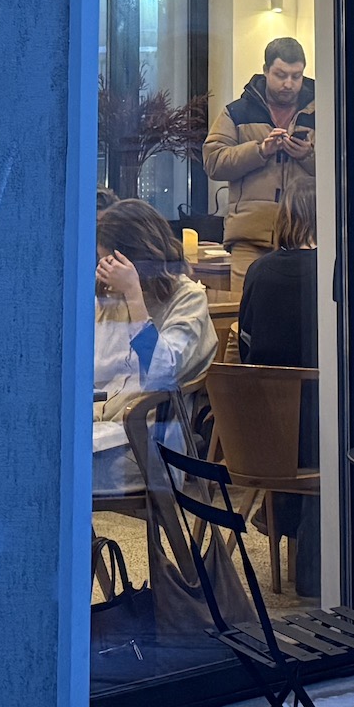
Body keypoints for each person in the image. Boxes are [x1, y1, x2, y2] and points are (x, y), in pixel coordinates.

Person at [91, 200, 217, 495]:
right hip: (101, 431)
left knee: (48, 471)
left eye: (109, 262)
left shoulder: (188, 299)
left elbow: (162, 370)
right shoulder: (108, 298)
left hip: (145, 443)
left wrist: (133, 294)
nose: (104, 270)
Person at [235, 198, 322, 593]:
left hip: (262, 434)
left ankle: (277, 514)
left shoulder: (259, 270)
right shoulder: (334, 270)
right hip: (318, 434)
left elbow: (247, 347)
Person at [205, 36, 315, 285]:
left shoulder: (324, 111)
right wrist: (260, 151)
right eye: (280, 75)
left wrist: (308, 156)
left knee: (304, 308)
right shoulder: (236, 112)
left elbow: (344, 168)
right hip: (250, 238)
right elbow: (213, 162)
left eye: (296, 76)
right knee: (245, 305)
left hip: (308, 236)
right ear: (265, 70)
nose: (288, 84)